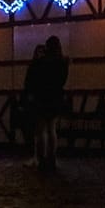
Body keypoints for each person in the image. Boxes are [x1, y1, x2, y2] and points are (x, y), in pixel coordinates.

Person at [30, 35, 69, 172]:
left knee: (41, 130)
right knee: (52, 129)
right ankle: (52, 158)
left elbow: (33, 79)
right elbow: (62, 81)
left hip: (42, 97)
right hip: (55, 97)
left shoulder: (41, 62)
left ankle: (42, 159)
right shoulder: (63, 62)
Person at [20, 42, 49, 165]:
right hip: (37, 102)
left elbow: (28, 84)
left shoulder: (36, 67)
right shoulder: (42, 67)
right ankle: (39, 156)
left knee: (38, 131)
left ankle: (39, 156)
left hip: (37, 102)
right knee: (37, 131)